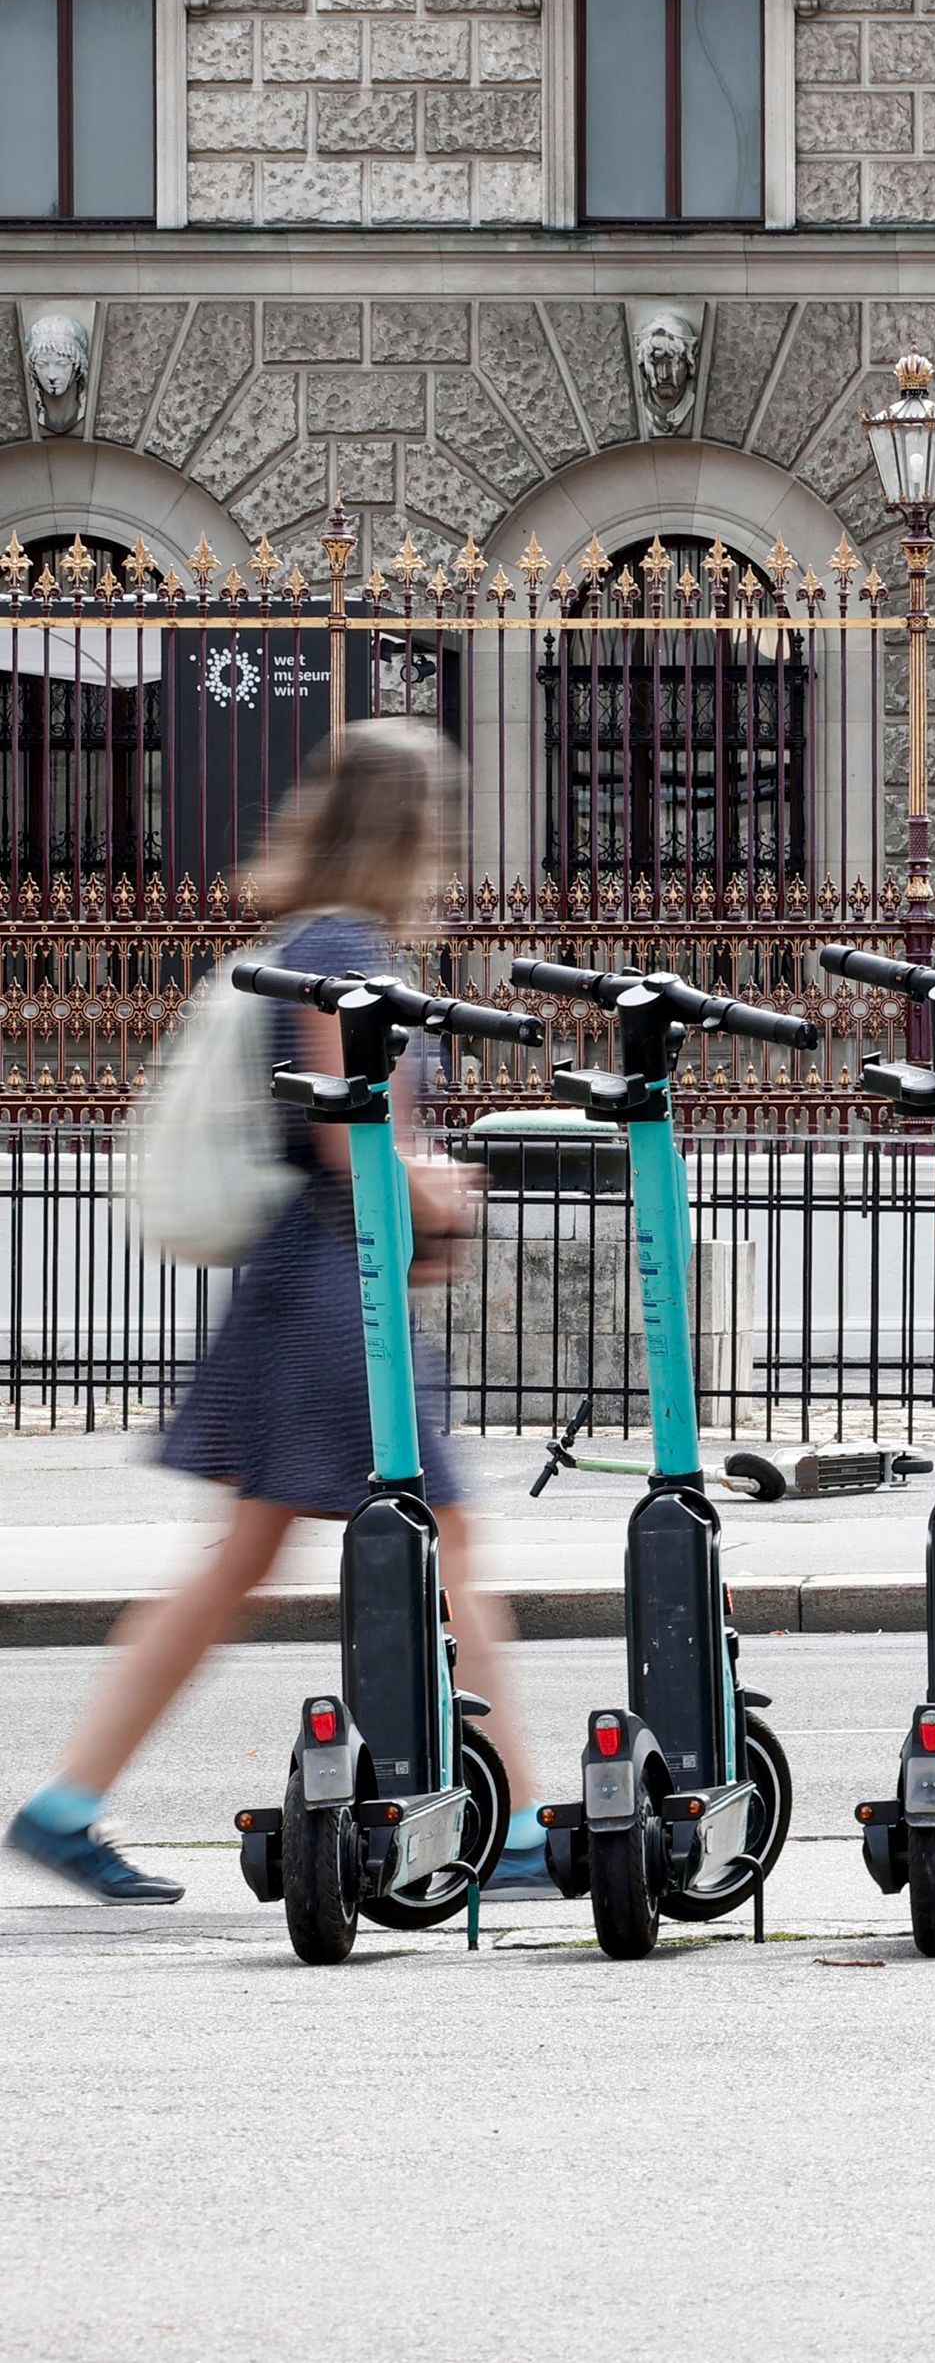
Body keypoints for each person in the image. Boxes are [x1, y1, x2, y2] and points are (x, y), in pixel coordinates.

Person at [7, 720, 546, 1904]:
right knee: (445, 1539)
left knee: (245, 1559)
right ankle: (509, 1826)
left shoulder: (308, 944)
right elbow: (355, 1142)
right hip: (334, 1289)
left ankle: (63, 1804)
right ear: (411, 832)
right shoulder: (343, 952)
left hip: (305, 1285)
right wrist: (443, 1187)